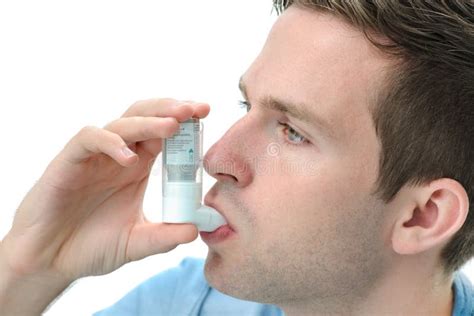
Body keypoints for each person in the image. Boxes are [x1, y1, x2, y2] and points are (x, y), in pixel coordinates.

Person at [1, 0, 473, 315]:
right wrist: (28, 268)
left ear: (422, 216)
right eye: (249, 105)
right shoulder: (186, 303)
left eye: (292, 132)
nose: (216, 157)